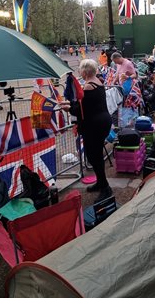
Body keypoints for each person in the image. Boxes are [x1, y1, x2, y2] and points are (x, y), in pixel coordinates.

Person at [63, 59, 112, 203]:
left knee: (93, 156)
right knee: (95, 154)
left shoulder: (88, 87)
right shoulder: (97, 81)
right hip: (101, 122)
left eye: (80, 70)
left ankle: (105, 188)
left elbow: (82, 110)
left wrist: (69, 108)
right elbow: (85, 105)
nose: (79, 72)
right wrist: (70, 104)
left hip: (95, 125)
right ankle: (101, 183)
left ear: (84, 72)